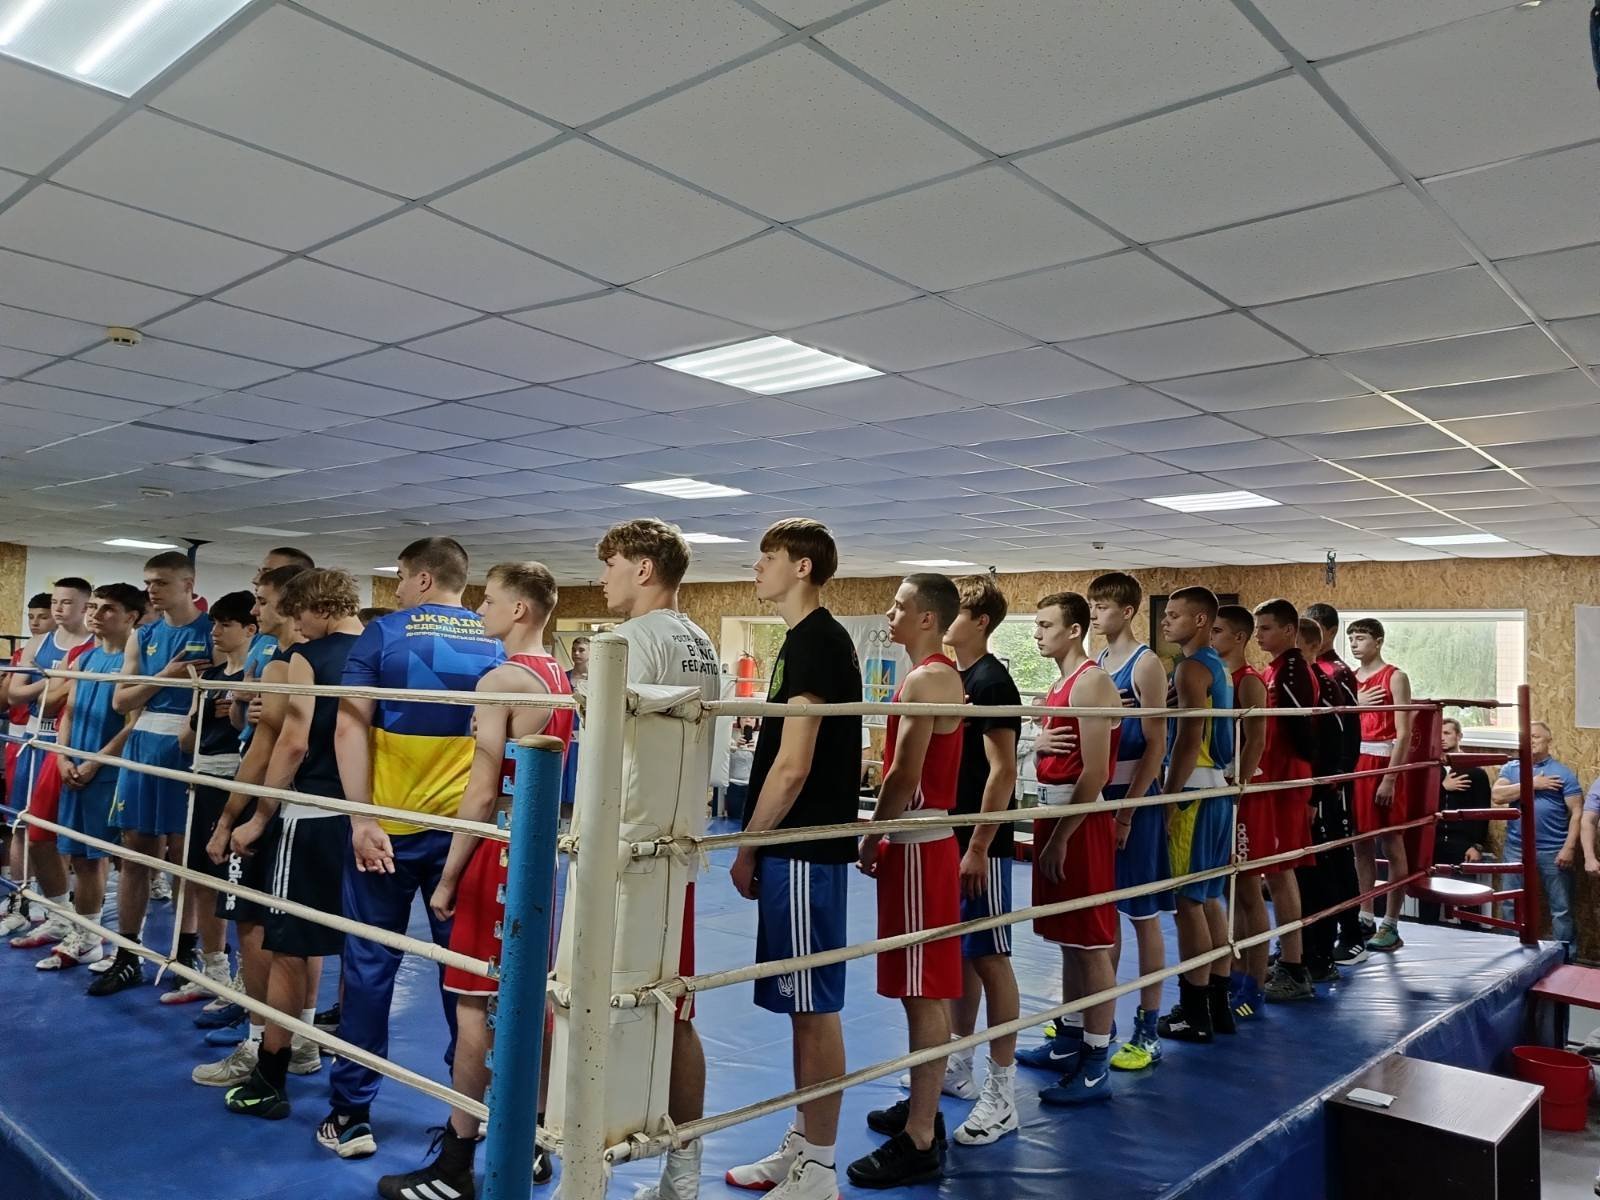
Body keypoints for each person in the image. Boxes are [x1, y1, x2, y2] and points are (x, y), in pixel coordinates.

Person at [376, 562, 574, 1198]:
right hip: (540, 851)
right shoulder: (558, 676)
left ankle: (456, 1162)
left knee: (472, 1004)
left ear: (519, 610)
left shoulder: (500, 680)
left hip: (498, 852)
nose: (480, 611)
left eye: (489, 602)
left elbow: (482, 792)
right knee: (527, 998)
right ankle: (533, 1140)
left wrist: (447, 878)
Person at [322, 538, 505, 1159]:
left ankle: (351, 1116)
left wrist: (361, 817)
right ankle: (471, 1118)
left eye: (401, 576)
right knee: (468, 978)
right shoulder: (496, 639)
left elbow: (349, 725)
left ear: (424, 578)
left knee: (369, 968)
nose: (397, 588)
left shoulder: (382, 634)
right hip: (464, 836)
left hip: (388, 829)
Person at [726, 519, 861, 1200]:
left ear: (802, 566)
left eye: (769, 557)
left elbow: (793, 765)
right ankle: (804, 1145)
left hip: (804, 847)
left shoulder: (817, 643)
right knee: (800, 1008)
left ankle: (821, 1166)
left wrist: (748, 844)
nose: (757, 567)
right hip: (796, 849)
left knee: (813, 1008)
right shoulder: (800, 642)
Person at [587, 519, 721, 1200]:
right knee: (674, 1007)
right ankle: (683, 1173)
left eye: (610, 563)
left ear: (642, 568)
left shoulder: (632, 640)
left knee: (596, 1005)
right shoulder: (701, 641)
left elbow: (611, 747)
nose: (601, 577)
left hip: (625, 848)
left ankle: (588, 1169)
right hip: (677, 846)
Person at [225, 569, 366, 1119]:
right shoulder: (380, 651)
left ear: (322, 608)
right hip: (367, 818)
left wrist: (260, 816)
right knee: (359, 949)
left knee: (288, 949)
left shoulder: (311, 655)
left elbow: (292, 743)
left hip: (310, 813)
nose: (298, 627)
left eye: (301, 614)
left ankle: (271, 1076)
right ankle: (349, 1087)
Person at [848, 575, 965, 1189]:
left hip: (918, 843)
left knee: (923, 991)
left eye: (899, 607)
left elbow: (902, 774)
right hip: (920, 843)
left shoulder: (928, 680)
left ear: (926, 618)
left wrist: (874, 835)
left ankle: (920, 1136)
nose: (889, 614)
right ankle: (925, 1113)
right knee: (921, 988)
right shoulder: (932, 676)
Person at [196, 564, 308, 1087]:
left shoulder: (290, 664)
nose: (255, 609)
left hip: (272, 799)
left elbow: (268, 748)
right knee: (292, 931)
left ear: (289, 602)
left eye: (262, 601)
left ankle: (263, 1041)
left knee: (257, 924)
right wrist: (247, 705)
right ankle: (297, 1039)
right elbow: (251, 730)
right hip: (295, 802)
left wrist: (233, 818)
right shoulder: (285, 658)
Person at [92, 553, 214, 997]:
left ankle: (185, 953)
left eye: (161, 582)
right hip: (144, 743)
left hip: (188, 746)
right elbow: (121, 701)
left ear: (188, 584)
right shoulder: (143, 635)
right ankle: (127, 955)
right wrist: (166, 675)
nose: (152, 590)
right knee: (136, 854)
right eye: (148, 583)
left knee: (184, 858)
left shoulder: (213, 631)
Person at [1021, 591, 1120, 1105]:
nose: (1037, 633)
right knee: (1068, 939)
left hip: (1078, 823)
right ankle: (1071, 1038)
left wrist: (1062, 836)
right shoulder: (1060, 684)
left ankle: (1097, 1060)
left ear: (1074, 629)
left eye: (1046, 624)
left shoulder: (1090, 681)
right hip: (1052, 813)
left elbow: (1096, 771)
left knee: (1092, 941)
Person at [937, 575, 1021, 1144]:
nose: (946, 622)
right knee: (966, 952)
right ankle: (959, 1064)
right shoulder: (959, 678)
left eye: (957, 613)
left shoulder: (991, 680)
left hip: (981, 843)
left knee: (990, 955)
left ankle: (1003, 1093)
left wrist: (979, 845)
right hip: (958, 836)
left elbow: (1004, 771)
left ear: (981, 621)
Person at [1086, 572, 1169, 1072]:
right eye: (1092, 606)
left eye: (1103, 606)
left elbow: (1156, 745)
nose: (1095, 614)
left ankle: (1148, 1027)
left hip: (1134, 798)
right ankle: (1101, 1019)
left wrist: (1128, 812)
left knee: (1141, 913)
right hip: (1103, 794)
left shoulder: (1147, 664)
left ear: (1128, 611)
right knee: (1105, 910)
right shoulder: (1097, 664)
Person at [36, 585, 144, 968]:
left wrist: (96, 763)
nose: (96, 615)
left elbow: (133, 723)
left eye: (108, 608)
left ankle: (102, 941)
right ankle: (86, 935)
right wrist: (62, 757)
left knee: (103, 859)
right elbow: (69, 711)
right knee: (80, 857)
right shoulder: (85, 659)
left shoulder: (136, 662)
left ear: (131, 617)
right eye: (93, 607)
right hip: (74, 766)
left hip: (108, 772)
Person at [161, 590, 256, 1004]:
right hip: (202, 778)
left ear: (249, 629)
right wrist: (201, 713)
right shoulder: (211, 677)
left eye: (225, 624)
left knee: (237, 883)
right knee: (200, 878)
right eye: (214, 623)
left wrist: (237, 712)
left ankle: (246, 980)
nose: (215, 631)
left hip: (236, 782)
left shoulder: (257, 676)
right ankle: (214, 970)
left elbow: (259, 738)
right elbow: (185, 742)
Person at [1156, 587, 1236, 1044]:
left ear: (1201, 620)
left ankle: (1194, 1012)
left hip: (1191, 793)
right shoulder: (1216, 666)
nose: (1165, 621)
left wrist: (1167, 800)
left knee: (1188, 904)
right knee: (1208, 899)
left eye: (1174, 615)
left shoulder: (1190, 668)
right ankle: (1217, 1006)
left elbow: (1189, 740)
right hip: (1217, 792)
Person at [4, 577, 94, 949]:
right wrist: (54, 681)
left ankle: (64, 911)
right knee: (22, 825)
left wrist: (46, 684)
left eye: (66, 602)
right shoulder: (38, 643)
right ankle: (24, 901)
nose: (58, 608)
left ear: (85, 605)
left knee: (64, 834)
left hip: (68, 743)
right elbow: (14, 694)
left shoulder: (94, 646)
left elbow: (59, 701)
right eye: (55, 601)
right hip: (32, 740)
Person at [1248, 599, 1316, 1003]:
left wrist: (1312, 788)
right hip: (1276, 780)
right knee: (1274, 870)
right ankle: (1289, 956)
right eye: (1257, 628)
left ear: (1290, 631)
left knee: (1280, 869)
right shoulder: (1275, 669)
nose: (1259, 635)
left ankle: (1294, 965)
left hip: (1286, 783)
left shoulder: (1292, 671)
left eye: (1267, 628)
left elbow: (1305, 731)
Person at [1211, 605, 1270, 1019]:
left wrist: (1239, 785)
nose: (1211, 637)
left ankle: (1255, 981)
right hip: (1219, 788)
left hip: (1241, 793)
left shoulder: (1248, 680)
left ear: (1239, 637)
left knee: (1247, 890)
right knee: (1226, 891)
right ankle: (1233, 971)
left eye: (1218, 630)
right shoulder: (1214, 677)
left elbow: (1257, 740)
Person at [1302, 603, 1368, 968]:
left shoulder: (1336, 672)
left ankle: (1352, 932)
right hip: (1313, 778)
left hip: (1332, 780)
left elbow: (1347, 729)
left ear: (1327, 632)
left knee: (1338, 856)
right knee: (1315, 860)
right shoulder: (1305, 670)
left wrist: (1339, 776)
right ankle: (1312, 938)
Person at [1347, 618, 1413, 953]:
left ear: (1378, 641)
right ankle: (1365, 913)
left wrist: (1390, 777)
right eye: (1351, 639)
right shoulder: (1349, 679)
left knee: (1392, 843)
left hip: (1384, 762)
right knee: (1360, 843)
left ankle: (1391, 922)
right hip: (1357, 762)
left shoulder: (1395, 676)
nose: (1354, 644)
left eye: (1360, 638)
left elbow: (1405, 733)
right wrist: (1355, 704)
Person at [1492, 720, 1581, 955]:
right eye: (1526, 737)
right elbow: (1497, 796)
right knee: (1510, 903)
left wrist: (1569, 848)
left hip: (1553, 850)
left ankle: (1565, 957)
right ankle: (1510, 956)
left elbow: (1577, 813)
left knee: (1561, 908)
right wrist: (1532, 784)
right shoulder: (1511, 769)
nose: (1530, 741)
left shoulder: (1562, 773)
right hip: (1516, 848)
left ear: (1549, 740)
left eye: (1536, 736)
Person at [0, 593, 53, 930]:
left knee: (53, 827)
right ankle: (22, 896)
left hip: (58, 739)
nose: (35, 623)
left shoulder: (83, 652)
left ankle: (52, 899)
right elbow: (7, 699)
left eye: (42, 616)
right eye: (31, 616)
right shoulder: (24, 653)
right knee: (19, 821)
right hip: (22, 738)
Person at [1421, 718, 1490, 925]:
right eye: (1438, 734)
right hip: (1433, 842)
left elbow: (1483, 811)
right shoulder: (1429, 770)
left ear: (1459, 736)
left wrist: (1477, 845)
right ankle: (1426, 937)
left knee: (1466, 898)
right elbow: (1421, 806)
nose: (1442, 738)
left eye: (1447, 733)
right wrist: (1443, 788)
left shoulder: (1476, 773)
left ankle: (1471, 937)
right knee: (1429, 898)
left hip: (1462, 844)